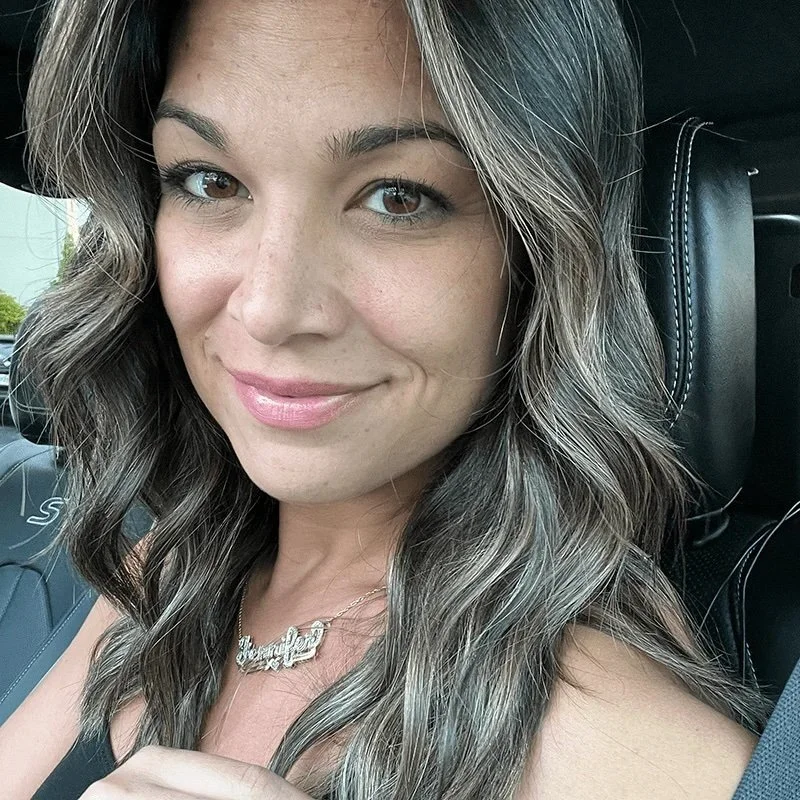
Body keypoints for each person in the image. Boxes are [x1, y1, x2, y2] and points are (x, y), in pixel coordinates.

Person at [0, 0, 767, 797]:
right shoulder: (167, 566)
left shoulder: (618, 745)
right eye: (208, 180)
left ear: (538, 256)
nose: (270, 307)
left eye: (398, 197)